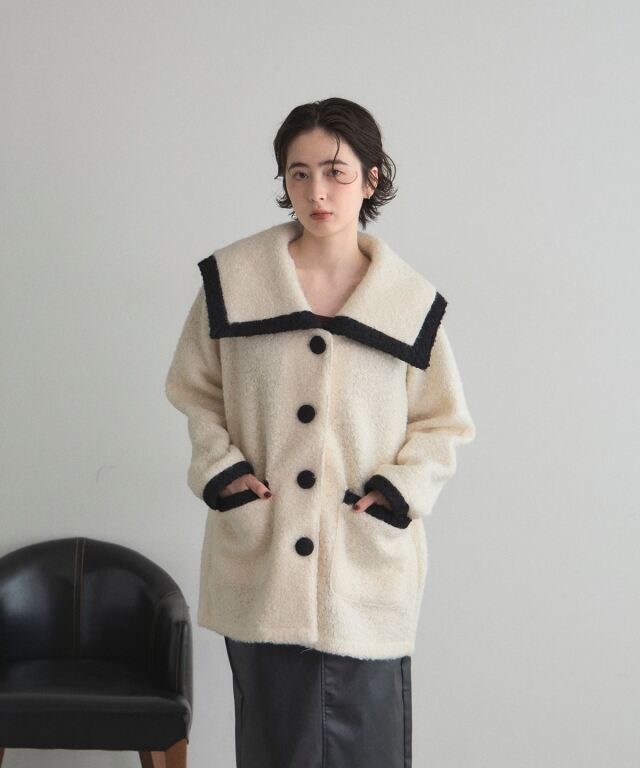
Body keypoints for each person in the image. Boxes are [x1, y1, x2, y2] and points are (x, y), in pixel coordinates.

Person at [164, 97, 476, 768]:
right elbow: (195, 391)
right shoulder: (234, 280)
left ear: (371, 179)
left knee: (367, 745)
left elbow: (443, 421)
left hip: (363, 567)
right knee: (276, 744)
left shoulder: (409, 302)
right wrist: (223, 474)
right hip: (263, 558)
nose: (316, 192)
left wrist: (397, 493)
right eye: (298, 174)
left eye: (336, 172)